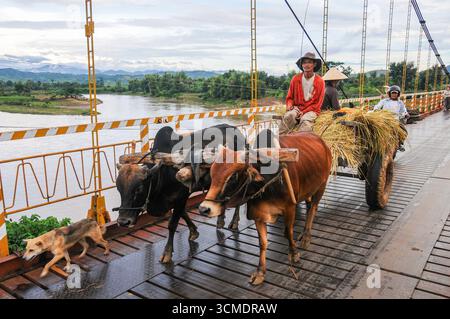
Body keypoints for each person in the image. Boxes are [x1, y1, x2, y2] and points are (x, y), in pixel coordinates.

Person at [279, 52, 325, 135]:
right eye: (304, 62)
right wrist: (291, 107)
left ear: (314, 64)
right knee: (289, 116)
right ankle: (280, 140)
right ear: (302, 65)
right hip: (297, 108)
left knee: (305, 120)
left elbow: (318, 104)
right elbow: (289, 98)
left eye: (309, 62)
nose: (306, 65)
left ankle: (300, 143)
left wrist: (303, 112)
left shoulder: (320, 81)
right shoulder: (295, 79)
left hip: (312, 110)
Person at [373, 85, 409, 152]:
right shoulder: (384, 101)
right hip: (384, 119)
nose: (394, 95)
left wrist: (405, 114)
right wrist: (376, 110)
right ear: (390, 93)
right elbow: (377, 107)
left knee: (403, 131)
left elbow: (403, 111)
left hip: (395, 120)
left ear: (398, 94)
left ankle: (399, 144)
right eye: (392, 93)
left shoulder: (400, 103)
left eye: (395, 93)